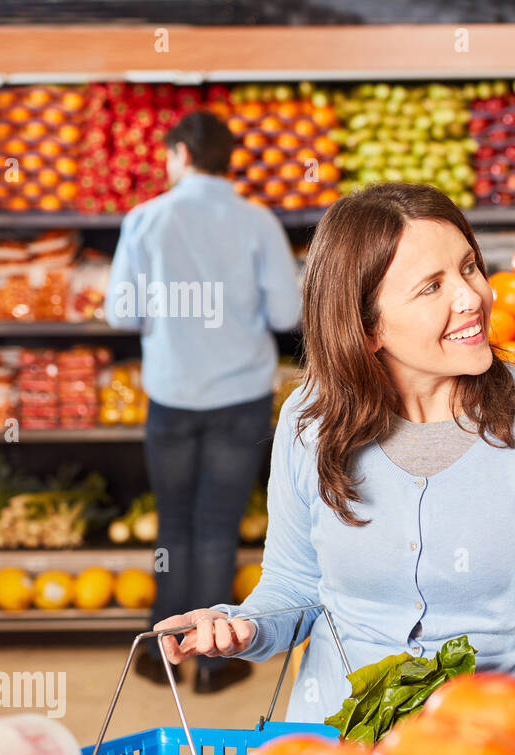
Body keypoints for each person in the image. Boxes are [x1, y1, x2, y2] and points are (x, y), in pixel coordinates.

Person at [153, 183, 515, 720]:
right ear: (366, 329)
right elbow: (294, 584)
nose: (471, 298)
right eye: (431, 287)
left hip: (493, 747)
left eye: (468, 268)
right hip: (336, 752)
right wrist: (243, 627)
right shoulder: (310, 417)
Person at [106, 110, 302, 693]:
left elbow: (121, 312)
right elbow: (287, 315)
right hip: (238, 396)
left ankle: (160, 653)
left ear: (181, 155)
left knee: (176, 526)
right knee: (219, 526)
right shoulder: (257, 222)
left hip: (170, 394)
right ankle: (215, 662)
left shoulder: (145, 219)